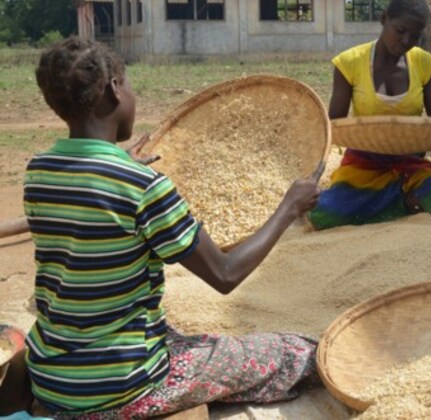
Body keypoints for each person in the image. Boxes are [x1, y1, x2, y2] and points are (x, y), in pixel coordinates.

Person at [19, 37, 321, 419]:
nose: (131, 94)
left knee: (170, 332)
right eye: (128, 83)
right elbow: (225, 274)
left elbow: (92, 204)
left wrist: (116, 163)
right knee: (294, 353)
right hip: (122, 385)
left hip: (53, 375)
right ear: (114, 89)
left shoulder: (38, 172)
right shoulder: (144, 187)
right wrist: (288, 208)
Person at [308, 0, 431, 230]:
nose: (405, 41)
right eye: (400, 31)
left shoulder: (425, 64)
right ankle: (403, 201)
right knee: (325, 214)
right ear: (384, 19)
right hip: (363, 163)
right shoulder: (349, 63)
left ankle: (394, 199)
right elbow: (335, 125)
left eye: (415, 36)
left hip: (410, 162)